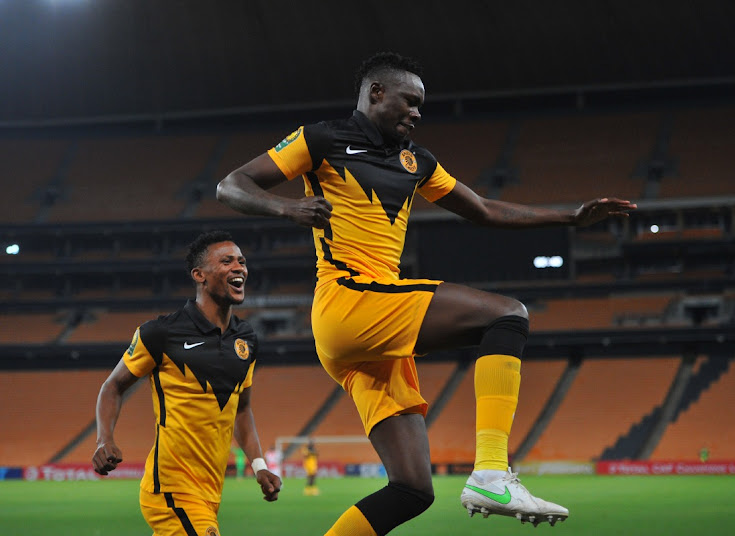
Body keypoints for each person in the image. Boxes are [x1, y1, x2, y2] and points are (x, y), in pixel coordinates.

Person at [216, 52, 636, 535]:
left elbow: (482, 210)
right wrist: (288, 209)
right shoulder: (323, 138)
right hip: (350, 300)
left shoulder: (416, 161)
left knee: (412, 489)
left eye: (421, 106)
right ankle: (492, 471)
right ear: (376, 92)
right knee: (507, 316)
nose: (417, 113)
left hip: (369, 327)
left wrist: (570, 218)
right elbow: (232, 185)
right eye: (410, 102)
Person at [92, 230, 282, 536]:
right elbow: (112, 386)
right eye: (226, 261)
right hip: (170, 489)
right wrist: (104, 439)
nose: (239, 267)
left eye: (242, 261)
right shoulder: (160, 333)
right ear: (200, 275)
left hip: (210, 493)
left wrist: (259, 466)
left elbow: (241, 409)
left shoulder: (246, 339)